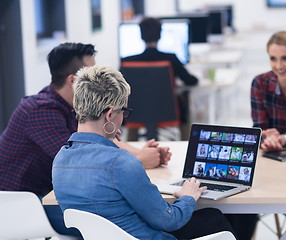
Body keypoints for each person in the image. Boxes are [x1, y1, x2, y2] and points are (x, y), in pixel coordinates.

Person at [0, 42, 171, 237]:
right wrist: (139, 160)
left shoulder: (73, 107)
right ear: (74, 80)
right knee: (125, 217)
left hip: (47, 196)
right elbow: (85, 162)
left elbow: (98, 141)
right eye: (90, 75)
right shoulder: (40, 111)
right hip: (22, 205)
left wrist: (140, 153)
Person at [52, 65, 235, 239]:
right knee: (216, 218)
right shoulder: (121, 163)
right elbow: (169, 220)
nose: (123, 118)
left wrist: (108, 139)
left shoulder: (60, 160)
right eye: (123, 111)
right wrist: (188, 196)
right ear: (109, 115)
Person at [121, 17, 198, 140]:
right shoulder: (171, 59)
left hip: (135, 112)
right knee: (184, 104)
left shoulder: (127, 61)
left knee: (132, 102)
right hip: (167, 111)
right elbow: (191, 81)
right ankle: (186, 143)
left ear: (141, 36)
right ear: (160, 35)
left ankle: (132, 143)